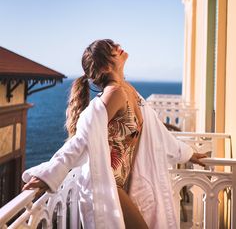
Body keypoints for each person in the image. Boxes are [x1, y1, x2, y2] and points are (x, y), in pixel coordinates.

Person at [22, 39, 207, 229]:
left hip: (126, 184)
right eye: (111, 49)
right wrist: (51, 173)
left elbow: (159, 132)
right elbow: (82, 139)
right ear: (104, 68)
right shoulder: (114, 94)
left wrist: (188, 153)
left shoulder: (129, 90)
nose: (118, 47)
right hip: (109, 187)